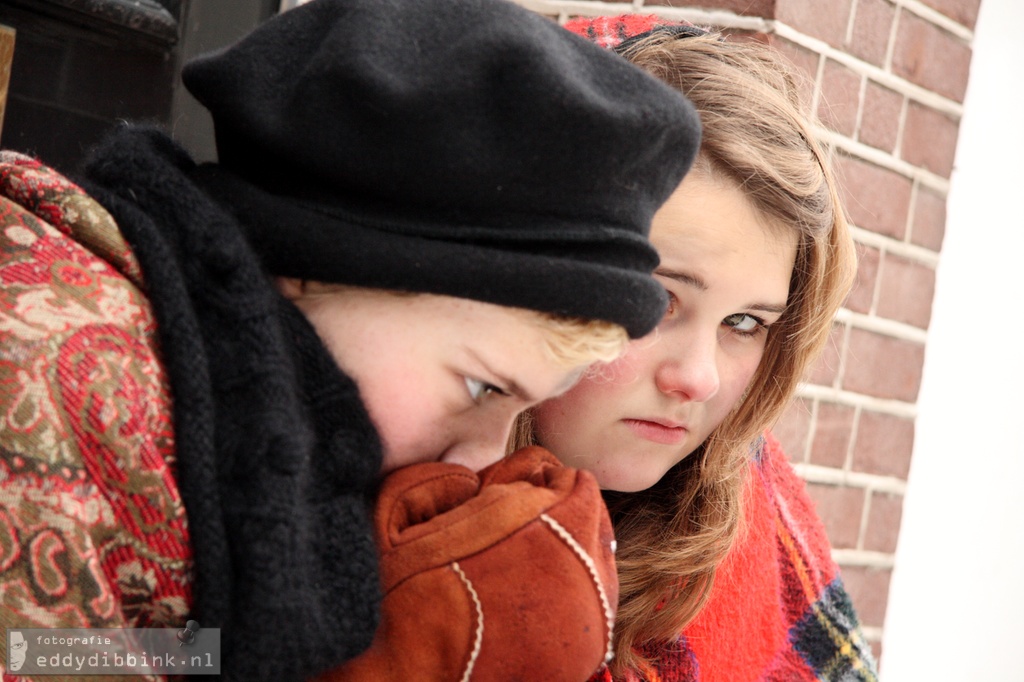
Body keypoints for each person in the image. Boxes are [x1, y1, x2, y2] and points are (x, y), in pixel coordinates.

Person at [0, 1, 702, 680]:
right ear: (314, 269)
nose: (486, 457)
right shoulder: (52, 380)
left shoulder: (249, 423)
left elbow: (135, 651)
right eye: (483, 387)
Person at [512, 16, 879, 681]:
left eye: (744, 323)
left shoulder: (751, 519)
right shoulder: (362, 508)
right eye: (657, 301)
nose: (699, 379)